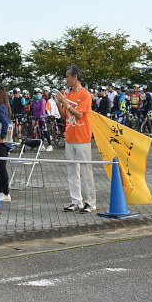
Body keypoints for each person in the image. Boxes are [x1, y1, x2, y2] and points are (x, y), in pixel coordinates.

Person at [55, 65, 96, 213]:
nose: (66, 79)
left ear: (75, 77)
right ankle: (76, 201)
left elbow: (79, 114)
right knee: (72, 170)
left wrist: (66, 103)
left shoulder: (85, 94)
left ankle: (90, 202)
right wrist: (59, 104)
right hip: (70, 137)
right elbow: (65, 116)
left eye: (67, 76)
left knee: (86, 171)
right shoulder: (69, 94)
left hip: (82, 137)